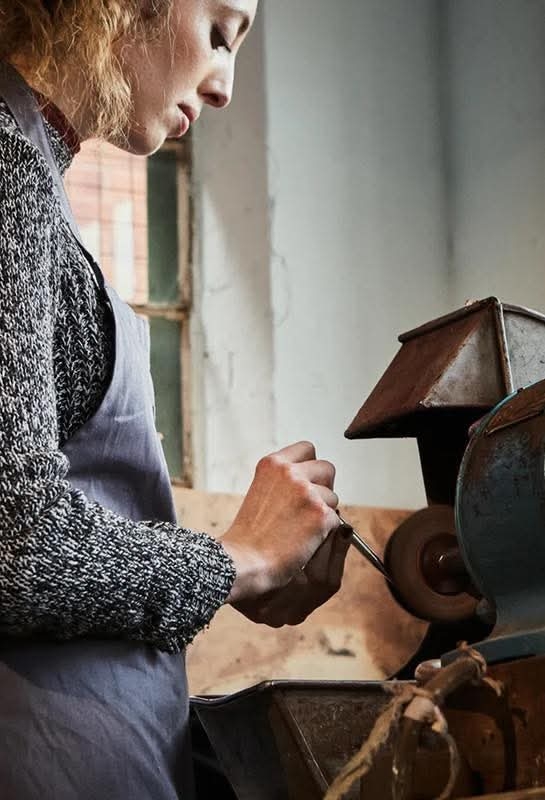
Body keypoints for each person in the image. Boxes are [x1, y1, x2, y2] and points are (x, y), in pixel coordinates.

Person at [0, 1, 351, 798]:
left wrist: (241, 567)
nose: (223, 85)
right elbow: (14, 549)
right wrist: (241, 559)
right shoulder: (4, 167)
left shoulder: (35, 175)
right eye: (220, 33)